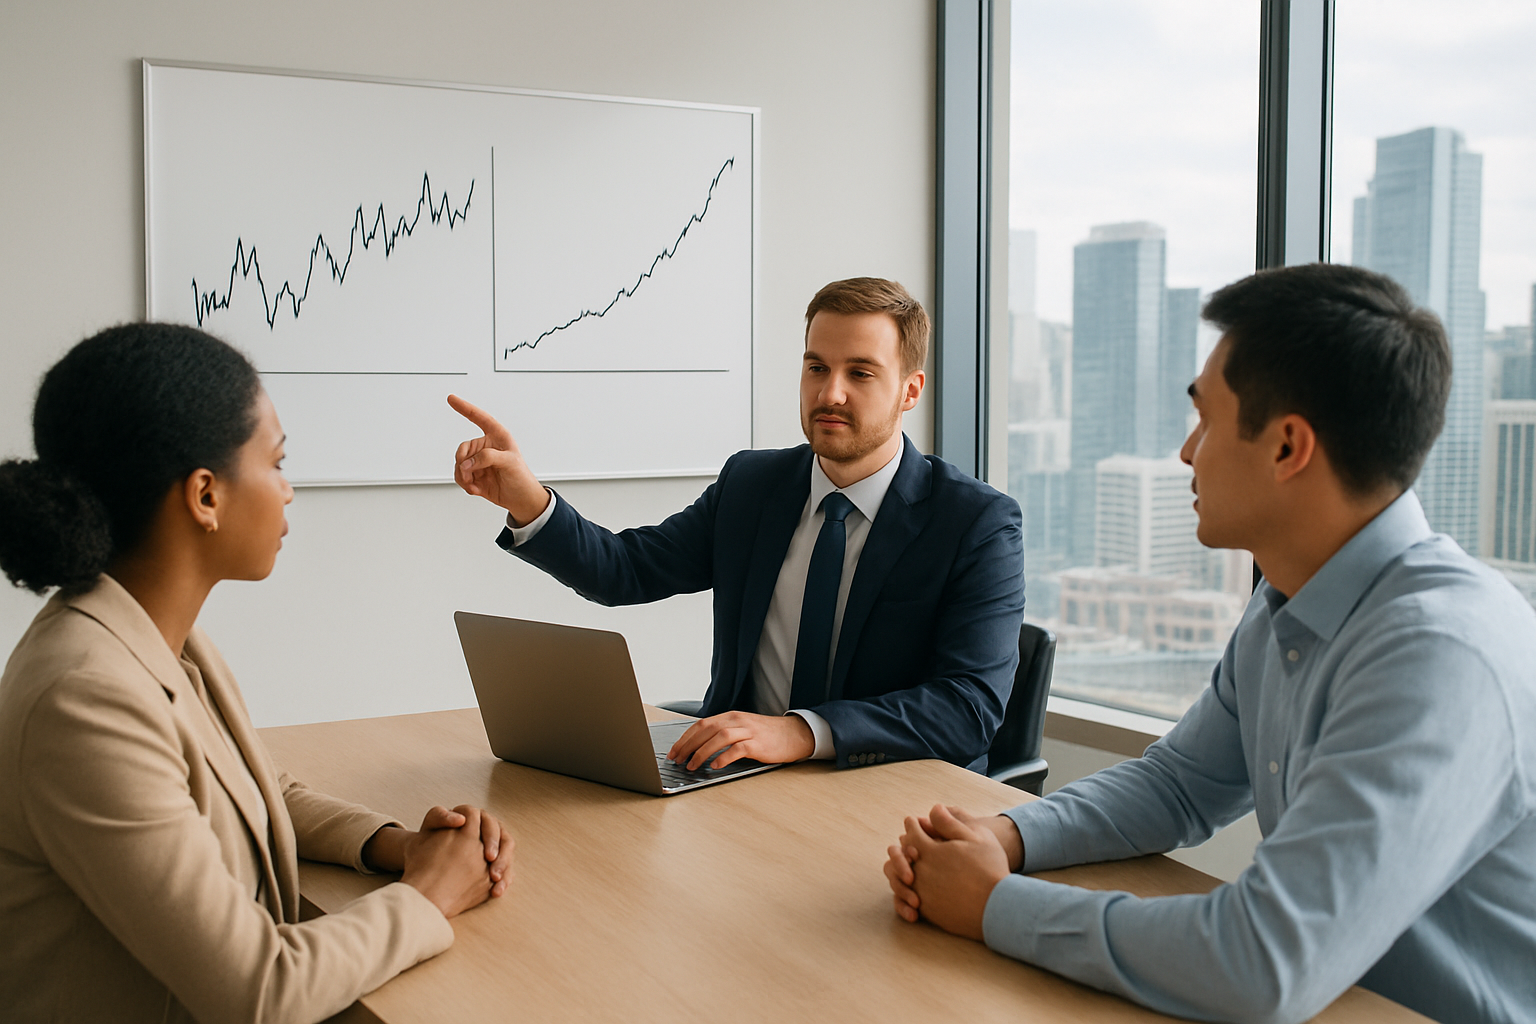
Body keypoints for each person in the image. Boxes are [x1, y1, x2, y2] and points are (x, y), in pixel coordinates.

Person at [883, 263, 1536, 1024]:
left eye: (1206, 420)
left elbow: (1261, 960)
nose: (1188, 453)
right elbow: (1179, 786)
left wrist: (996, 905)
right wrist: (1003, 835)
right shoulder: (1289, 600)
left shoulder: (1440, 656)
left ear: (1289, 447)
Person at [0, 324, 516, 1024]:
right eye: (277, 462)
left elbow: (252, 785)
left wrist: (396, 846)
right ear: (205, 496)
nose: (289, 491)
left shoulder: (149, 634)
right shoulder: (83, 698)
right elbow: (260, 990)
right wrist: (427, 894)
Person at [450, 277, 1025, 772]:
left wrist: (800, 732)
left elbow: (966, 710)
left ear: (910, 391)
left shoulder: (976, 523)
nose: (831, 393)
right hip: (738, 781)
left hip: (886, 796)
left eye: (861, 373)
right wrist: (529, 501)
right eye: (816, 367)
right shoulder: (753, 485)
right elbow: (626, 572)